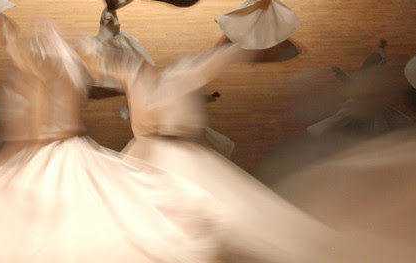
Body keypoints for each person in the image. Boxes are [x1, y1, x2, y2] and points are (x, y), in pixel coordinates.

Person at [0, 18, 222, 262]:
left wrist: (5, 35)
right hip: (72, 147)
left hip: (52, 151)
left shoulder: (48, 67)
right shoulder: (69, 69)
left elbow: (26, 61)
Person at [76, 40, 343, 263]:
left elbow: (222, 57)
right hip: (149, 157)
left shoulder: (182, 72)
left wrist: (255, 48)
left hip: (178, 157)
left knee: (212, 218)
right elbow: (104, 61)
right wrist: (82, 51)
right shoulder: (138, 74)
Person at [306, 39, 414, 137]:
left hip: (361, 105)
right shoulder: (373, 75)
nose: (381, 66)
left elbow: (354, 84)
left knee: (341, 121)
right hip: (367, 105)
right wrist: (382, 48)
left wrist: (341, 74)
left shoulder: (368, 76)